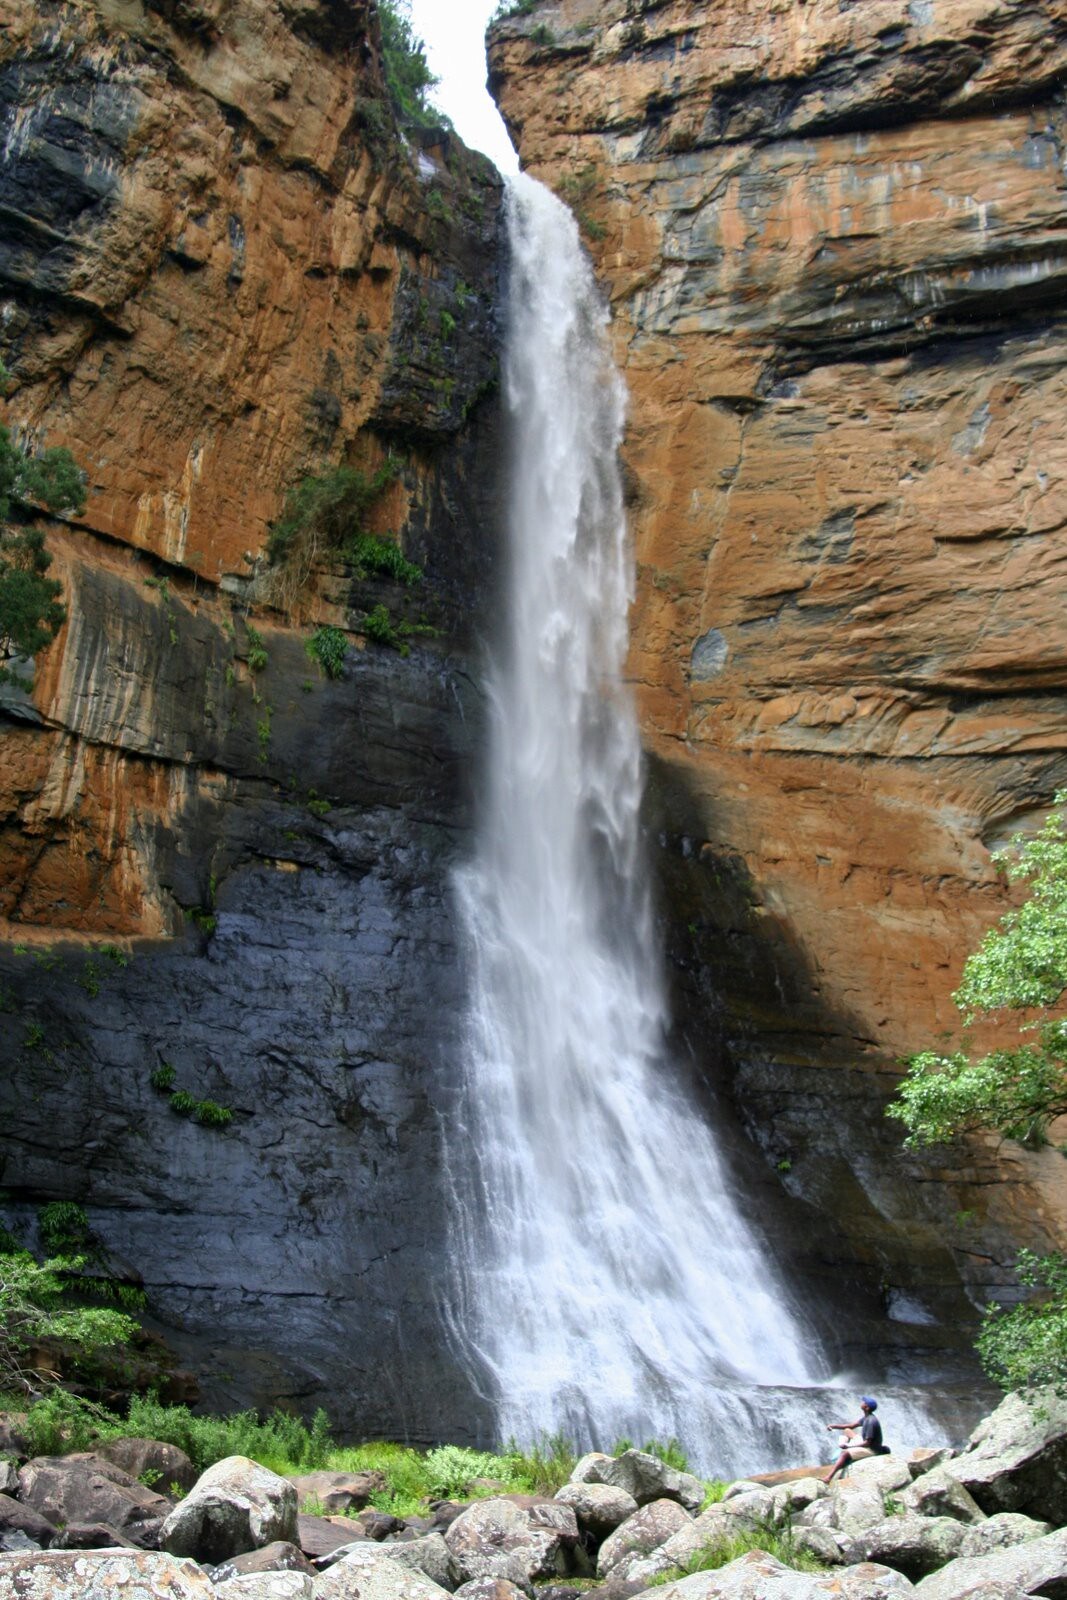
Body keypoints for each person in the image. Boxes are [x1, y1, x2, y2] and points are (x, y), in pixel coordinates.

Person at [824, 1396, 887, 1481]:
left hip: (871, 1449)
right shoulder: (866, 1417)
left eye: (864, 1403)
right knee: (847, 1431)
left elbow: (867, 1443)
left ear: (867, 1408)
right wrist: (833, 1426)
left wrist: (849, 1446)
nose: (862, 1403)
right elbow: (851, 1426)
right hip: (866, 1443)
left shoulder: (871, 1422)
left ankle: (828, 1477)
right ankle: (842, 1446)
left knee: (845, 1453)